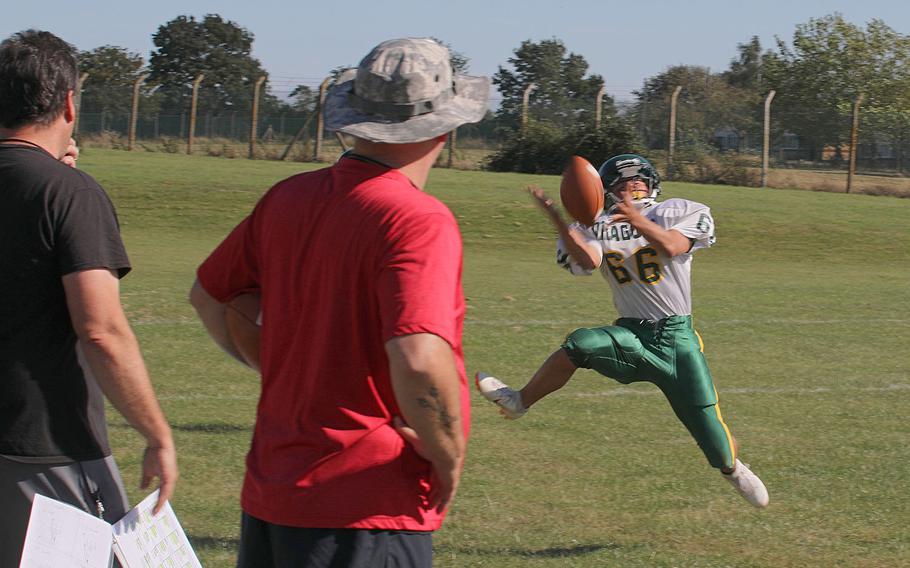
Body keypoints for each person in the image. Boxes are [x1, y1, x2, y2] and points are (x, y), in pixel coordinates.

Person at [190, 38, 489, 567]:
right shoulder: (418, 219)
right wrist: (449, 453)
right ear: (445, 125)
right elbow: (418, 357)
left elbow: (212, 298)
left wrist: (278, 365)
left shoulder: (288, 196)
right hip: (366, 505)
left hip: (273, 494)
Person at [476, 153, 769, 508]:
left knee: (709, 431)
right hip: (631, 332)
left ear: (653, 183)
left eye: (640, 179)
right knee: (581, 344)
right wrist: (558, 221)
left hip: (676, 339)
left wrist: (637, 219)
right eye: (621, 181)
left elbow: (673, 246)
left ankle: (731, 467)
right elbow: (587, 261)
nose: (633, 185)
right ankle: (519, 401)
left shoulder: (676, 210)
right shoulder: (594, 225)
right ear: (605, 192)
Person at [0, 30, 178, 566]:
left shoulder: (60, 187)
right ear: (70, 103)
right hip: (46, 446)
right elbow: (100, 329)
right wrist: (157, 433)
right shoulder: (70, 194)